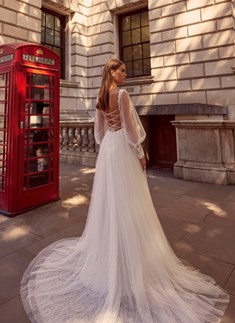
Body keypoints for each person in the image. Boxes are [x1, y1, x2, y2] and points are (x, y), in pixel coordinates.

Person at [21, 58, 229, 323]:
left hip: (108, 149)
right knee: (130, 201)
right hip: (121, 149)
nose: (126, 74)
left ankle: (111, 253)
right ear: (113, 72)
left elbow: (98, 133)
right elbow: (132, 132)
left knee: (110, 202)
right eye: (122, 70)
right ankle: (130, 257)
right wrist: (140, 152)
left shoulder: (99, 96)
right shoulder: (121, 95)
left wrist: (110, 141)